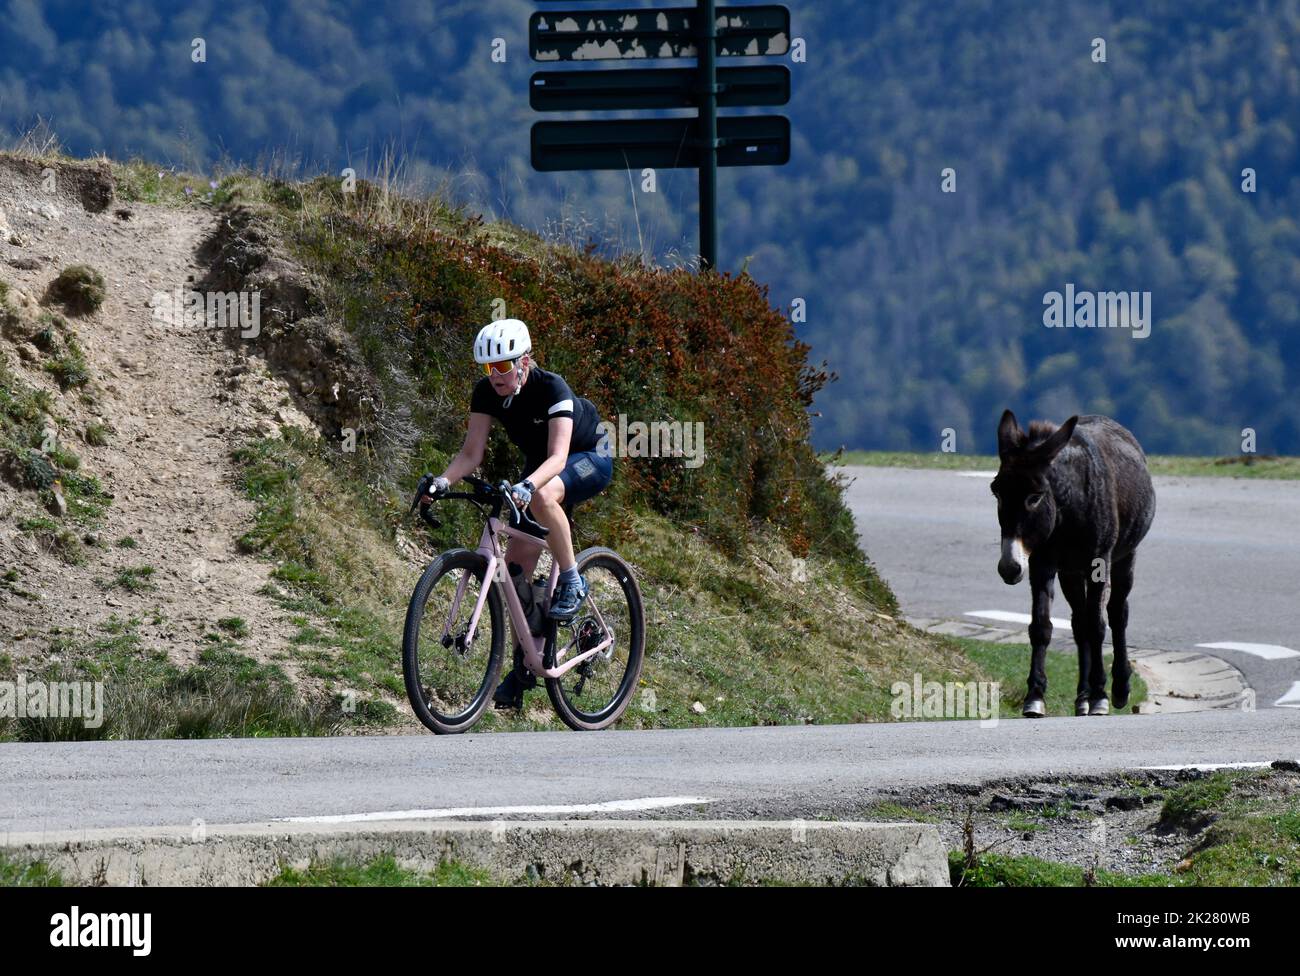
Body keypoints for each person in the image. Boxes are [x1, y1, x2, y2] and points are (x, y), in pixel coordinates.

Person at [423, 318, 613, 706]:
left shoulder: (552, 387)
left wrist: (528, 486)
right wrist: (443, 482)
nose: (494, 376)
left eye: (502, 367)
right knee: (513, 572)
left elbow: (559, 457)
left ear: (524, 362)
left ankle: (573, 580)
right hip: (540, 465)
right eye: (487, 368)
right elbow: (471, 454)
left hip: (588, 455)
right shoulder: (486, 392)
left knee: (542, 498)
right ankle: (528, 659)